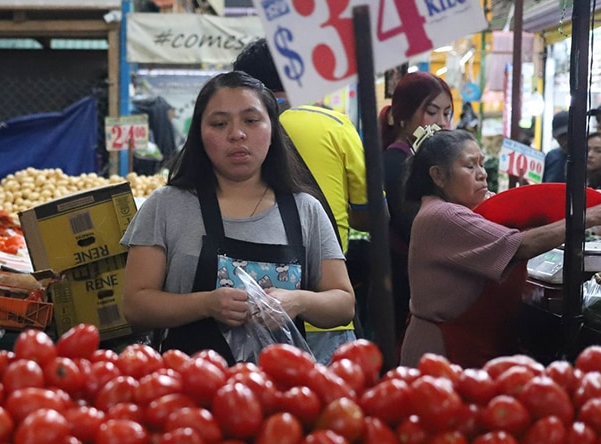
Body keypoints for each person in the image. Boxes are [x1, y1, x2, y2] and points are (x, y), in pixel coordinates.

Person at [120, 71, 356, 366]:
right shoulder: (166, 205)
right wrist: (206, 304)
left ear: (272, 130)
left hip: (282, 392)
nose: (237, 134)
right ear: (200, 135)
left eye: (251, 120)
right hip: (187, 390)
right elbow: (135, 305)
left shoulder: (305, 209)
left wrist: (298, 301)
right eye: (219, 124)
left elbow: (344, 302)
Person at [400, 129, 601, 369]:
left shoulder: (465, 207)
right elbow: (521, 245)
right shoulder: (443, 215)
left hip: (473, 343)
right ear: (438, 176)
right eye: (470, 166)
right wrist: (586, 217)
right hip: (443, 352)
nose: (482, 174)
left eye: (482, 164)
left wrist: (588, 205)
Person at [231, 38, 363, 359]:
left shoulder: (232, 136)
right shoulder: (333, 124)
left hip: (243, 319)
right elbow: (371, 212)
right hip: (325, 311)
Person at [378, 71, 454, 345]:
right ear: (402, 117)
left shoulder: (413, 160)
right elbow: (415, 227)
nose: (442, 123)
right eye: (432, 112)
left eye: (447, 113)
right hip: (400, 286)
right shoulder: (395, 163)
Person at [543, 111, 569, 183]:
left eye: (568, 135)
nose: (565, 141)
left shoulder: (588, 157)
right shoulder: (551, 157)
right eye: (561, 137)